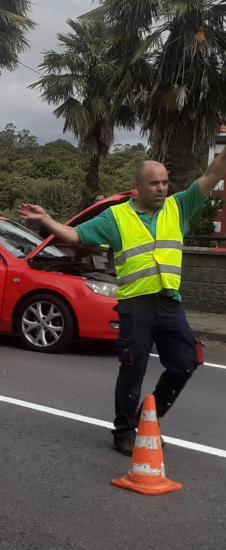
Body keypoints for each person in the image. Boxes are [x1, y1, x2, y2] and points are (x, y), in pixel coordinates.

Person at [18, 153, 226, 456]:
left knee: (185, 363)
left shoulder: (179, 206)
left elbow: (213, 172)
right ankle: (124, 433)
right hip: (135, 305)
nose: (161, 188)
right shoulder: (116, 217)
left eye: (165, 182)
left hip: (169, 303)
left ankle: (148, 417)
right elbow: (76, 235)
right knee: (133, 369)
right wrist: (47, 220)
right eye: (154, 183)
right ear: (138, 186)